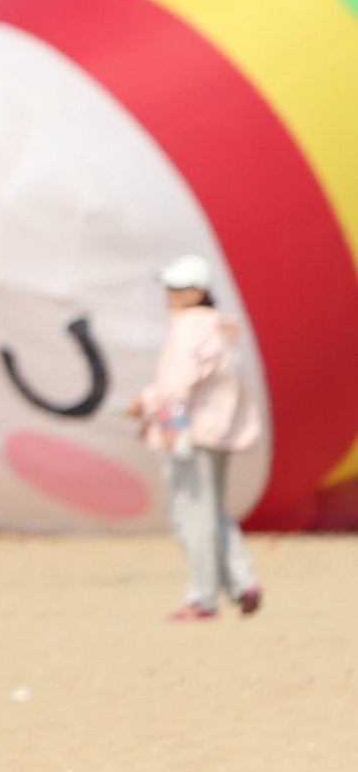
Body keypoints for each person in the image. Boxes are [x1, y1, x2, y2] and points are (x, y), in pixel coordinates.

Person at [132, 253, 263, 622]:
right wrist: (145, 401)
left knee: (191, 517)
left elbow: (179, 385)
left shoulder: (189, 326)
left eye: (175, 289)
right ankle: (242, 581)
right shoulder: (222, 327)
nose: (168, 296)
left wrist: (163, 421)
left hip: (189, 432)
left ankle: (203, 600)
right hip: (219, 431)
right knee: (213, 512)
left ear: (195, 293)